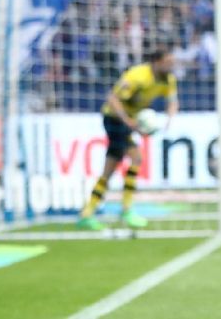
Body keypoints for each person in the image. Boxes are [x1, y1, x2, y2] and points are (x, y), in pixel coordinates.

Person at [76, 50, 178, 231]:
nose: (171, 66)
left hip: (128, 120)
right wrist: (129, 121)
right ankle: (125, 210)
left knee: (111, 169)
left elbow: (172, 101)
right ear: (156, 62)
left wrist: (169, 119)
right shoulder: (137, 76)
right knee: (135, 159)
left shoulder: (167, 79)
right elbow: (112, 99)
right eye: (168, 62)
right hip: (114, 118)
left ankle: (88, 212)